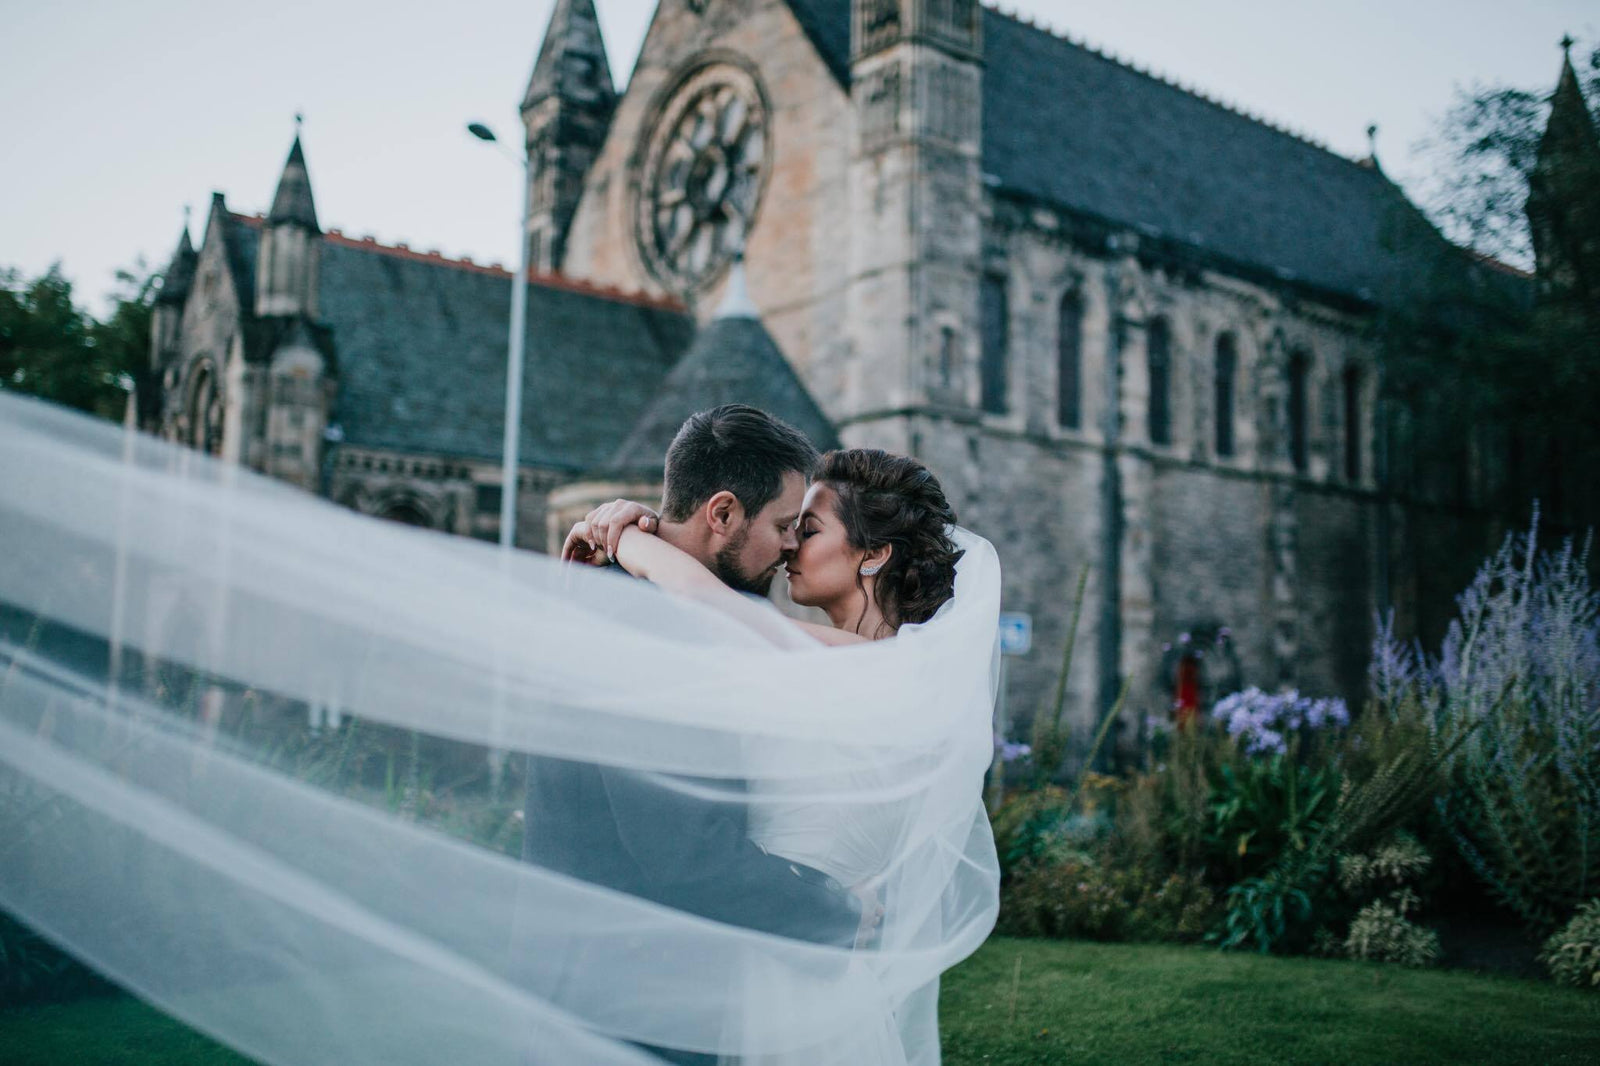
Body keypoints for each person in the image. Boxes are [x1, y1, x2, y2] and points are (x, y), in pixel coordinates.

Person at [563, 443, 970, 1066]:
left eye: (805, 530)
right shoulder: (816, 659)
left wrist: (629, 535)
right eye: (787, 528)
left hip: (799, 967)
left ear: (875, 553)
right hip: (776, 947)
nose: (788, 549)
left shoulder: (887, 669)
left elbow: (708, 604)